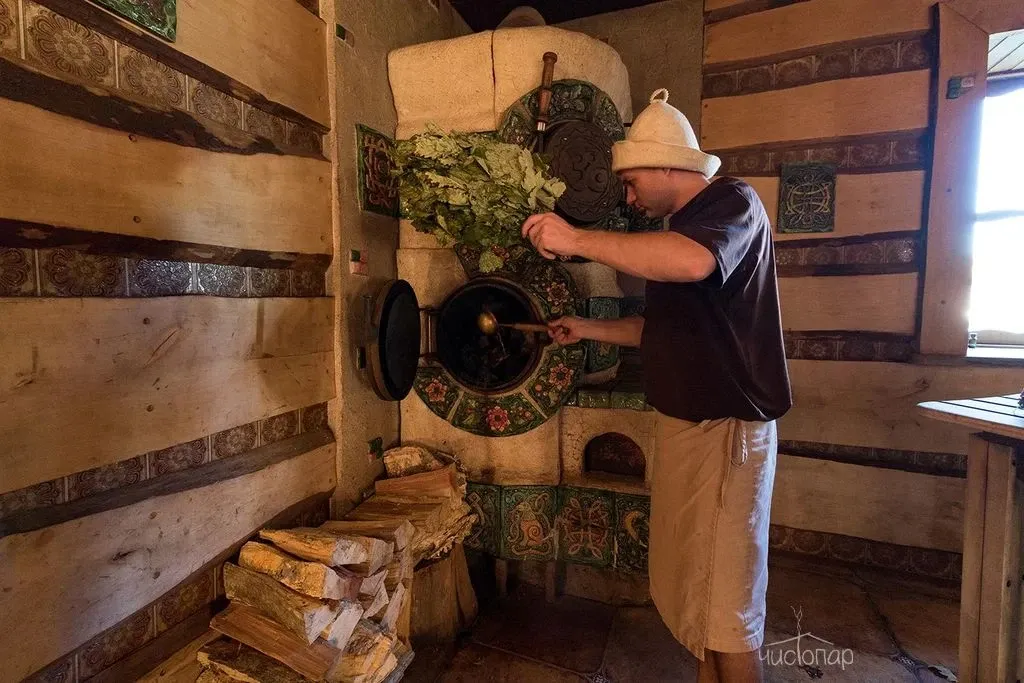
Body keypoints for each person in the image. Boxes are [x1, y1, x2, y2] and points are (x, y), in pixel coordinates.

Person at [521, 88, 792, 683]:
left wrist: (576, 239)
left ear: (668, 165)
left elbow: (692, 263)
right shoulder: (680, 232)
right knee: (702, 599)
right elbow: (656, 329)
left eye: (630, 180)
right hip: (693, 432)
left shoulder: (732, 203)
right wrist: (584, 327)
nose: (628, 194)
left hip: (725, 431)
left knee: (727, 609)